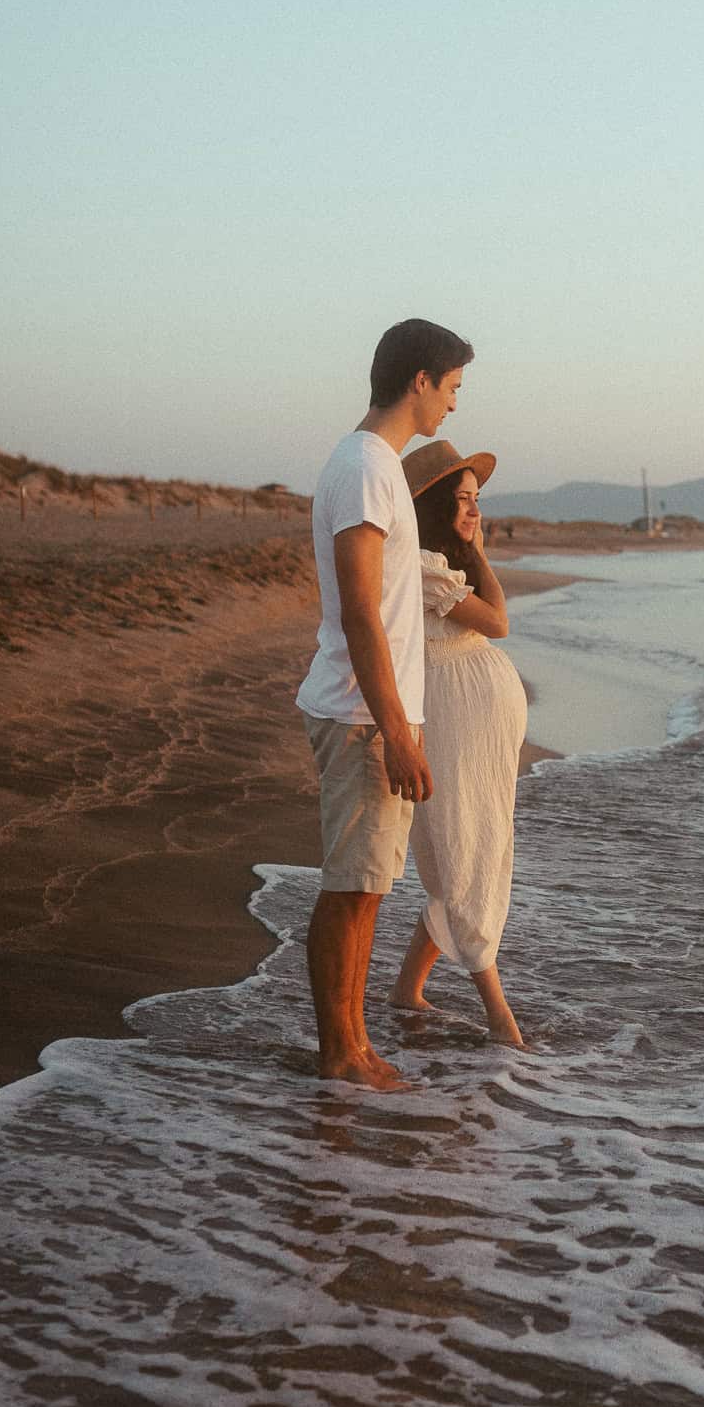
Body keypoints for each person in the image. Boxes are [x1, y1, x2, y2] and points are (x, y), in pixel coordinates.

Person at [296, 317, 473, 1088]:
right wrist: (396, 731)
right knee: (353, 886)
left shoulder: (370, 464)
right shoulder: (368, 467)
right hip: (363, 714)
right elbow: (362, 611)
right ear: (419, 382)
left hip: (370, 710)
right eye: (453, 388)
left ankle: (356, 1044)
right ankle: (341, 1053)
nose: (454, 406)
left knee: (367, 886)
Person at [390, 439, 529, 1046]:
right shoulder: (421, 565)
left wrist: (473, 549)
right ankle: (499, 1013)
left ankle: (406, 989)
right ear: (433, 504)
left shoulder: (445, 563)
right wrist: (477, 552)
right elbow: (498, 620)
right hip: (449, 715)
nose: (475, 511)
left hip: (477, 720)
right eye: (464, 500)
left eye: (478, 500)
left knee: (470, 845)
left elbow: (494, 620)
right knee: (465, 846)